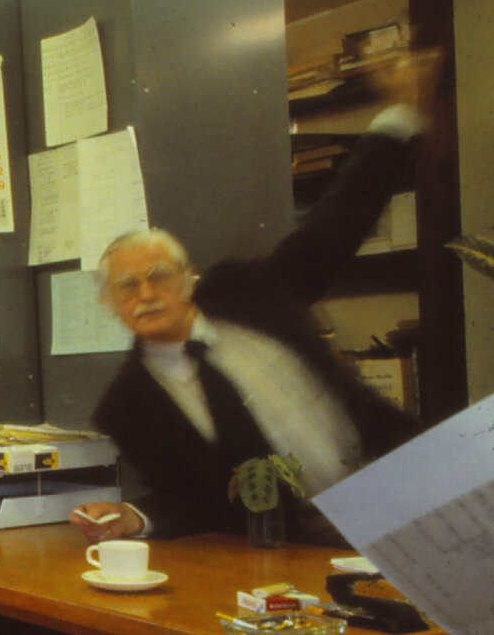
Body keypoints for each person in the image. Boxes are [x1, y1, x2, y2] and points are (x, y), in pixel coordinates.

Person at [70, 52, 439, 544]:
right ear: (110, 305)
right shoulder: (126, 407)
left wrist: (397, 119)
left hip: (408, 484)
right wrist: (136, 518)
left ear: (188, 280)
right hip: (303, 545)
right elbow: (188, 498)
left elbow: (335, 226)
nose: (147, 294)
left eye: (159, 276)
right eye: (127, 287)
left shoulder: (250, 294)